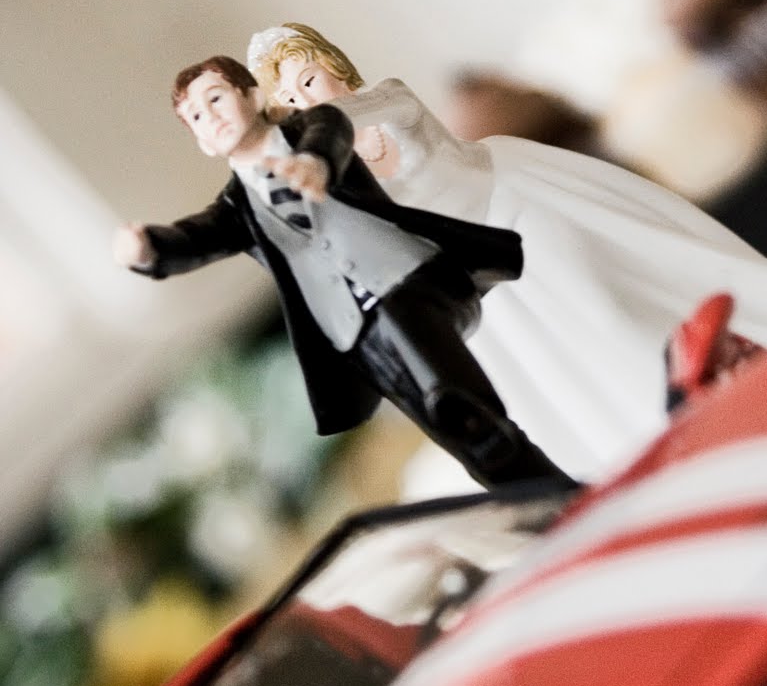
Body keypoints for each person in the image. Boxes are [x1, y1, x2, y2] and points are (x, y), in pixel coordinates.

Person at [248, 25, 767, 478]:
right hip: (476, 290)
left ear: (337, 68)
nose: (308, 101)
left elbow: (365, 119)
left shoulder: (387, 104)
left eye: (311, 80)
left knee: (619, 323)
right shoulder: (335, 181)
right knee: (568, 395)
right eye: (292, 102)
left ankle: (746, 401)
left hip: (520, 222)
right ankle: (674, 463)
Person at [113, 56, 572, 492]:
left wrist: (314, 164)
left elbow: (329, 134)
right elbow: (195, 237)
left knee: (459, 405)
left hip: (406, 287)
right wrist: (149, 248)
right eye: (196, 116)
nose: (211, 117)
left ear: (252, 96)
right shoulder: (236, 209)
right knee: (455, 435)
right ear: (202, 142)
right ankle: (537, 501)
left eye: (216, 98)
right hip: (355, 334)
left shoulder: (312, 129)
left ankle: (548, 488)